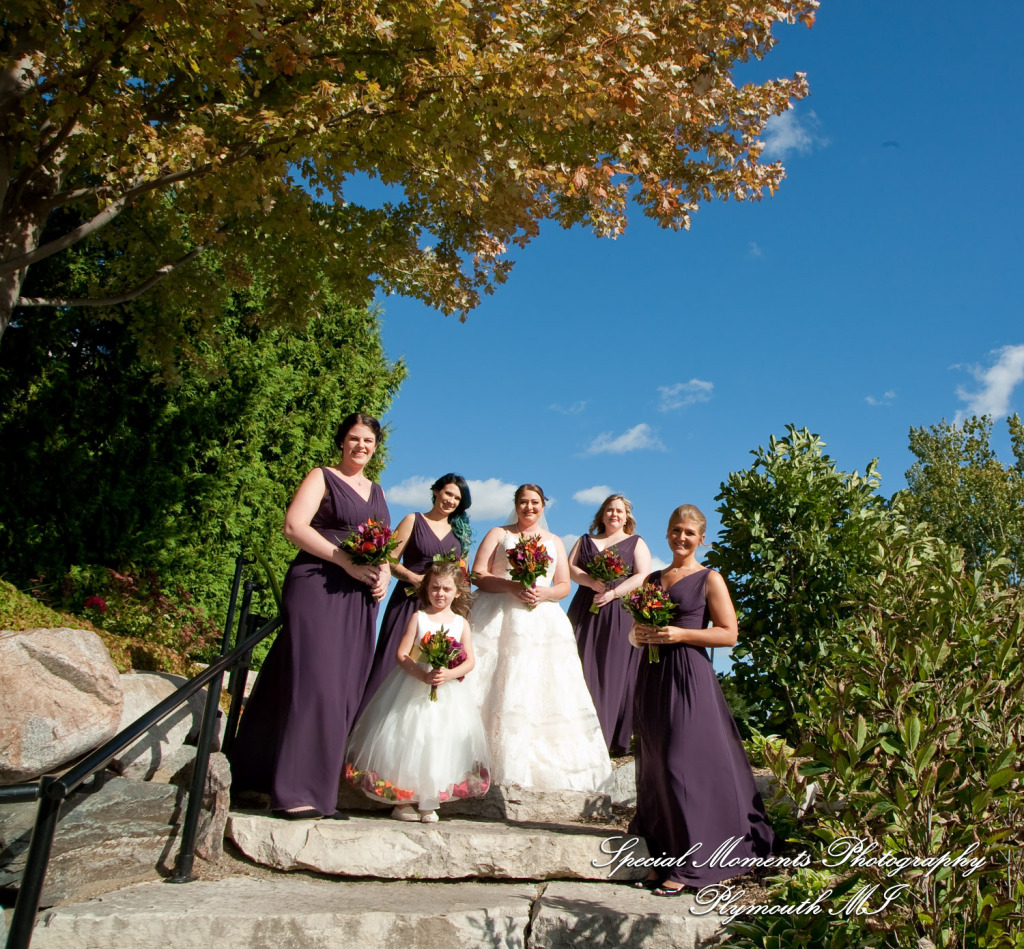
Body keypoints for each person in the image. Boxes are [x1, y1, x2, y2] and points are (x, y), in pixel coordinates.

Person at [227, 412, 391, 820]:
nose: (361, 446)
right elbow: (293, 526)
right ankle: (295, 792)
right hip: (318, 583)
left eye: (368, 441)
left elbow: (384, 544)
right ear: (342, 441)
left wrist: (383, 573)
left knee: (343, 689)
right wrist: (345, 562)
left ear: (375, 447)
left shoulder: (378, 491)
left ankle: (296, 786)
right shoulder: (321, 476)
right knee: (314, 682)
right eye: (354, 438)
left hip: (358, 596)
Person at [629, 504, 773, 895]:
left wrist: (680, 634)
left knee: (682, 764)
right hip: (653, 677)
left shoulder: (710, 578)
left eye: (689, 532)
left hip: (689, 676)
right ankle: (661, 857)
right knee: (656, 765)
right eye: (676, 530)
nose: (681, 537)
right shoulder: (653, 579)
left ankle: (694, 863)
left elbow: (729, 634)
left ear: (701, 539)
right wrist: (640, 634)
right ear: (668, 532)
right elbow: (634, 631)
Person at [468, 483, 612, 791]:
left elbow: (563, 585)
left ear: (543, 506)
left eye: (535, 502)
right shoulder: (498, 533)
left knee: (536, 686)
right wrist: (511, 586)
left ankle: (528, 767)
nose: (529, 507)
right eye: (523, 502)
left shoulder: (554, 541)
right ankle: (477, 761)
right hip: (498, 615)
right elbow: (477, 574)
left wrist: (544, 593)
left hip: (541, 619)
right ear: (515, 504)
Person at [345, 561, 490, 822]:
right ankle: (401, 801)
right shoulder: (419, 617)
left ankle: (429, 799)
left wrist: (449, 673)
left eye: (447, 589)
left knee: (438, 741)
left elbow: (469, 661)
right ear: (427, 589)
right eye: (435, 588)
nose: (440, 594)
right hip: (412, 686)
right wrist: (422, 674)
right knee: (407, 739)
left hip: (446, 691)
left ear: (457, 592)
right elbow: (401, 654)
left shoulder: (461, 624)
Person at [357, 474, 471, 718]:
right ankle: (365, 727)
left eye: (457, 498)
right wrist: (414, 577)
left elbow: (462, 576)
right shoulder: (413, 520)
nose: (451, 500)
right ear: (436, 491)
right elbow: (389, 558)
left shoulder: (460, 535)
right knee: (392, 660)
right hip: (407, 601)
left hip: (440, 610)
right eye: (448, 493)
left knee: (429, 666)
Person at [567, 494, 652, 755]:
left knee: (612, 670)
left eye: (620, 511)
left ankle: (609, 738)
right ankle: (574, 736)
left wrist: (614, 593)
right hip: (586, 606)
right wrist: (591, 582)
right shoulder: (585, 541)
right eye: (609, 510)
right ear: (601, 514)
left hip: (618, 609)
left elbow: (643, 576)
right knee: (579, 664)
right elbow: (570, 568)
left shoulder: (635, 542)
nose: (614, 514)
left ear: (627, 516)